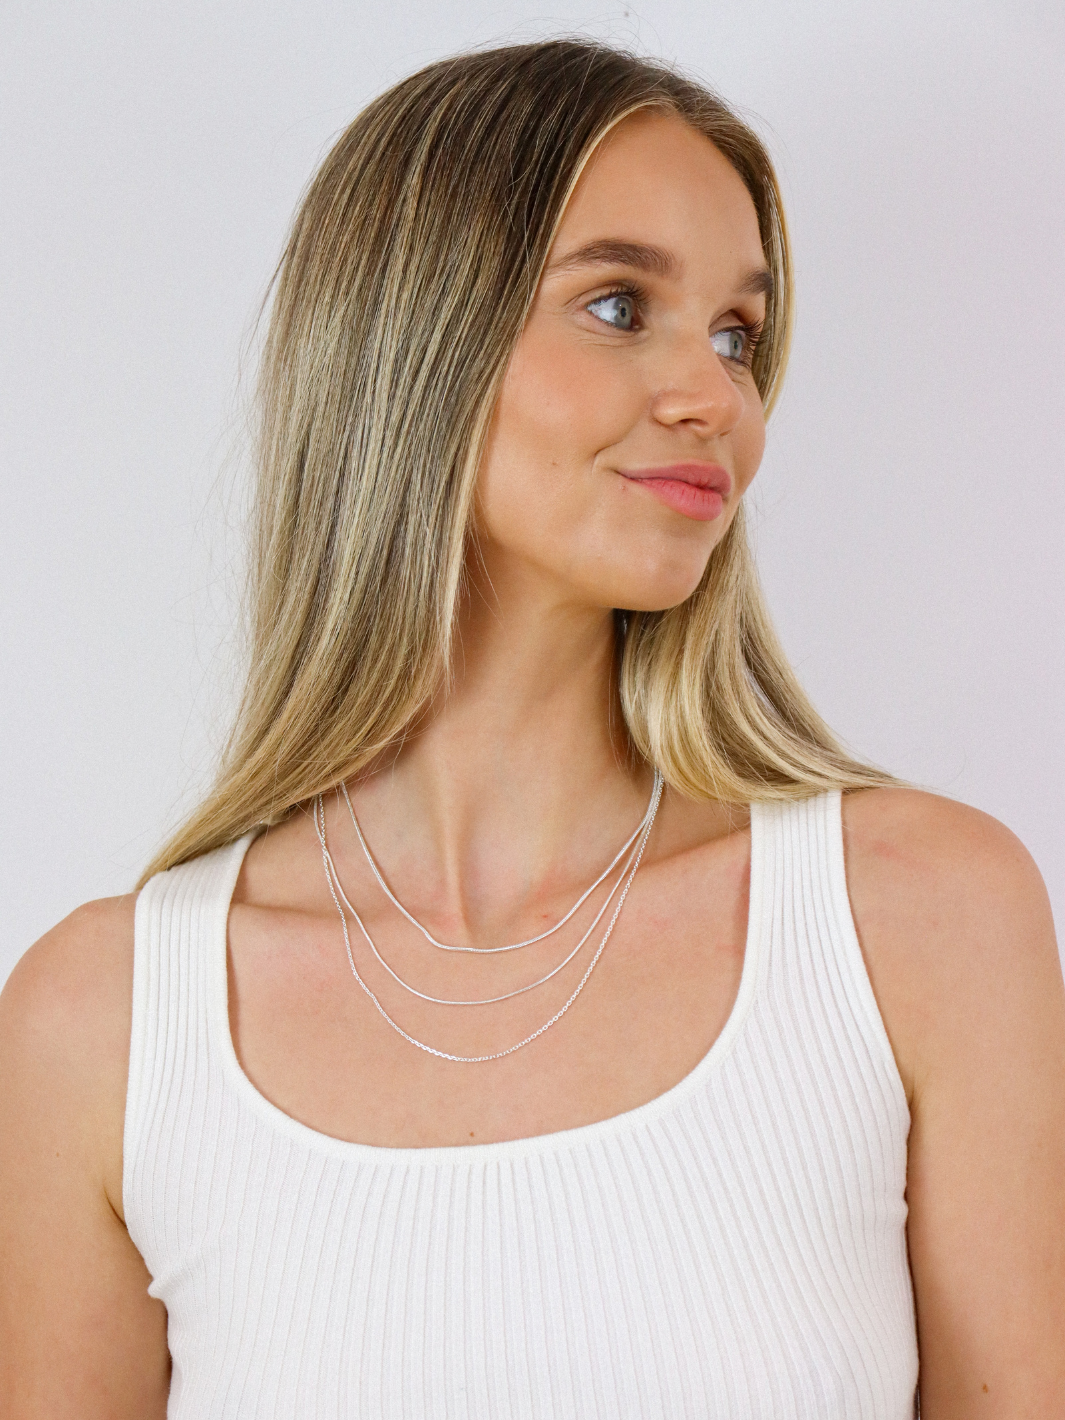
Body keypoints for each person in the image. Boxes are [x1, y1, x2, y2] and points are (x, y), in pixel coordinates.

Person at [1, 38, 1062, 1420]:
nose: (717, 399)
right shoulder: (106, 1028)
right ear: (409, 347)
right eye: (619, 305)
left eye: (737, 335)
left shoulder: (919, 923)